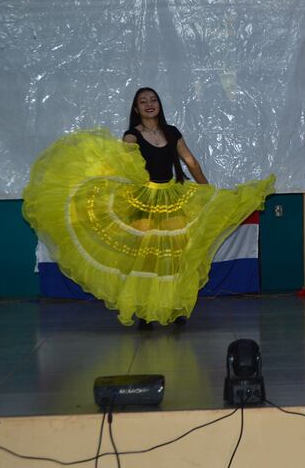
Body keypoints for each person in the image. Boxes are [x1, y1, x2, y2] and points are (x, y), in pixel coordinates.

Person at [23, 87, 275, 328]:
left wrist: (207, 193)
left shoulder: (172, 132)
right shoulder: (132, 136)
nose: (149, 104)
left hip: (173, 197)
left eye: (153, 99)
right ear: (136, 108)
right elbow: (124, 165)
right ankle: (144, 311)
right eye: (143, 101)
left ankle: (174, 306)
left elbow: (192, 163)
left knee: (175, 257)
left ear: (159, 104)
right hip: (144, 201)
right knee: (146, 259)